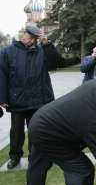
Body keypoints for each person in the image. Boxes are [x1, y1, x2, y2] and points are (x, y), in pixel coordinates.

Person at [0, 24, 61, 169]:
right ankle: (15, 156)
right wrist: (2, 97)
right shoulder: (7, 52)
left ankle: (36, 156)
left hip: (39, 100)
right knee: (16, 131)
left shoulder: (42, 50)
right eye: (28, 36)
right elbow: (1, 75)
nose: (28, 39)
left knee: (37, 130)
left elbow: (56, 63)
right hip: (17, 100)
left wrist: (47, 44)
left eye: (33, 38)